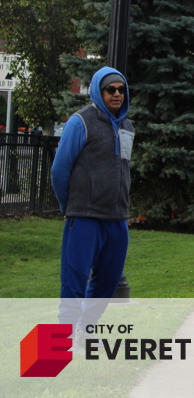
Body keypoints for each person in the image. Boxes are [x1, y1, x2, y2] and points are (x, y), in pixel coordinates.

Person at [50, 66, 135, 343]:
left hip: (117, 218)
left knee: (108, 281)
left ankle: (85, 332)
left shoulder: (127, 126)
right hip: (84, 216)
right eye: (111, 89)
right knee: (74, 282)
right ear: (99, 91)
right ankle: (62, 340)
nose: (117, 94)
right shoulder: (81, 122)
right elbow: (60, 170)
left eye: (121, 90)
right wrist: (68, 207)